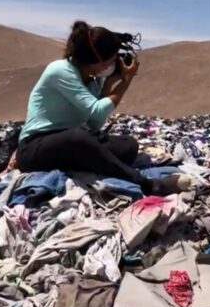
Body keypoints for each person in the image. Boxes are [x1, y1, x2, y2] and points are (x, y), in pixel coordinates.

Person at [15, 20, 189, 195]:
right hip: (34, 147)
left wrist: (110, 83)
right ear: (98, 61)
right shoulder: (60, 70)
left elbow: (94, 124)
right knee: (80, 138)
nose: (113, 64)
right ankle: (148, 184)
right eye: (112, 59)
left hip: (69, 144)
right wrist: (126, 82)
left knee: (128, 146)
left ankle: (87, 162)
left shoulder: (93, 80)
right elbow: (97, 110)